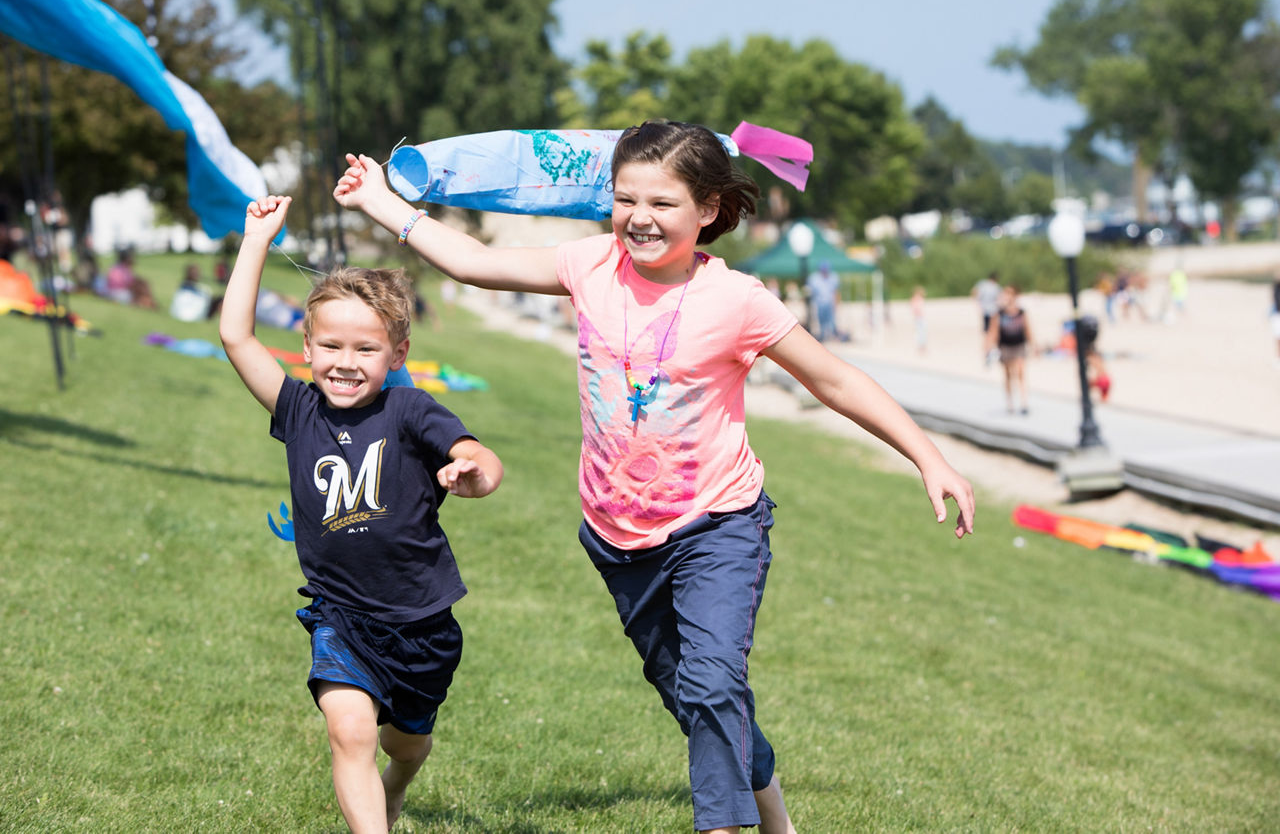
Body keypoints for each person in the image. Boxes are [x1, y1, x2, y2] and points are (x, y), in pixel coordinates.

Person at [333, 120, 975, 834]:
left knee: (711, 685)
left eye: (662, 203)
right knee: (695, 697)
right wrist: (382, 204)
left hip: (717, 525)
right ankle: (779, 821)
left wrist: (928, 454)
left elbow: (835, 381)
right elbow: (475, 262)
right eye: (624, 199)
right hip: (618, 539)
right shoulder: (591, 265)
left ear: (706, 209)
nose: (638, 218)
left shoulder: (738, 301)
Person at [218, 195, 504, 834]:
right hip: (341, 616)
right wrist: (256, 240)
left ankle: (398, 785)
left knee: (405, 745)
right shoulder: (297, 411)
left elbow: (478, 454)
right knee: (349, 733)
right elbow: (235, 335)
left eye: (366, 349)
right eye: (332, 345)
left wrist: (473, 474)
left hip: (421, 622)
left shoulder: (411, 411)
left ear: (397, 353)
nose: (346, 361)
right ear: (308, 345)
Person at [985, 284, 1033, 415]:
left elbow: (1027, 329)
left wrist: (1033, 345)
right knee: (1008, 374)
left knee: (1020, 371)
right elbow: (993, 331)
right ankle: (1010, 402)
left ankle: (1024, 401)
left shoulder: (1021, 312)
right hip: (1005, 346)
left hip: (1019, 345)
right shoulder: (999, 313)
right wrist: (988, 348)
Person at [806, 260, 842, 342]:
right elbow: (810, 292)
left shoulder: (833, 277)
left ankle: (831, 336)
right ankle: (823, 336)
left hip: (830, 303)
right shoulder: (814, 278)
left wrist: (837, 304)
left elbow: (836, 292)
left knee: (831, 321)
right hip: (819, 303)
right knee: (821, 321)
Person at [910, 284, 927, 354]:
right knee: (921, 332)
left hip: (919, 317)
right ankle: (921, 346)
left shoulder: (915, 299)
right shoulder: (916, 299)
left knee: (920, 332)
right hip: (919, 317)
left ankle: (921, 346)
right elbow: (915, 308)